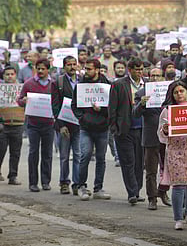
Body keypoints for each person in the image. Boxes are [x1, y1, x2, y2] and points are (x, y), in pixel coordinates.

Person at [158, 81, 187, 230]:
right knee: (178, 185)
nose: (179, 94)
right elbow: (161, 134)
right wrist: (165, 129)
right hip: (175, 151)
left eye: (182, 91)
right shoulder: (167, 111)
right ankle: (178, 218)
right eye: (176, 92)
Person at [71, 58, 111, 201]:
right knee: (85, 155)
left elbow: (112, 106)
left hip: (102, 128)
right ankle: (81, 186)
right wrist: (82, 118)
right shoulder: (81, 85)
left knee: (101, 158)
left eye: (89, 69)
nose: (86, 71)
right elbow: (74, 105)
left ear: (97, 70)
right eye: (85, 68)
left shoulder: (107, 85)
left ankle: (98, 188)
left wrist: (102, 110)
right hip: (86, 128)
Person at [132, 68, 171, 210]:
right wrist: (141, 103)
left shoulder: (170, 92)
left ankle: (163, 192)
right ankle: (152, 197)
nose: (155, 78)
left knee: (168, 168)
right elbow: (135, 114)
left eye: (158, 76)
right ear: (149, 77)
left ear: (162, 77)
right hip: (150, 136)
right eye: (153, 75)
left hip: (168, 136)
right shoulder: (142, 93)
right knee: (151, 170)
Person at [109, 58, 145, 205]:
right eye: (137, 69)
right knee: (128, 161)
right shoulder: (119, 85)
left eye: (141, 69)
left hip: (142, 129)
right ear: (129, 70)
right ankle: (132, 192)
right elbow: (112, 108)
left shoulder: (147, 84)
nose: (140, 72)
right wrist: (114, 128)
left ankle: (137, 190)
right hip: (125, 129)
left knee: (139, 162)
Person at [17, 58, 55, 192]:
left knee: (47, 153)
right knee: (33, 152)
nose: (40, 71)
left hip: (49, 124)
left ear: (48, 69)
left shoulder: (53, 84)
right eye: (38, 68)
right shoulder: (29, 84)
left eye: (43, 68)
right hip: (33, 124)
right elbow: (19, 100)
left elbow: (58, 102)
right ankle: (33, 182)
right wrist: (24, 100)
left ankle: (46, 181)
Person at [51, 56, 80, 195]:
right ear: (64, 66)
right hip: (65, 125)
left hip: (79, 125)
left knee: (78, 155)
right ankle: (64, 182)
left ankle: (77, 183)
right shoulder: (58, 82)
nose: (72, 67)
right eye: (69, 65)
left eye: (74, 64)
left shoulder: (82, 80)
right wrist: (61, 125)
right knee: (64, 156)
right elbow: (55, 105)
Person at [0, 66, 24, 185]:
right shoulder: (0, 89)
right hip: (2, 126)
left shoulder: (22, 89)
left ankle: (13, 176)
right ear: (3, 76)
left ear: (15, 75)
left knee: (15, 152)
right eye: (7, 74)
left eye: (12, 74)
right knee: (1, 150)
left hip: (18, 124)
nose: (9, 76)